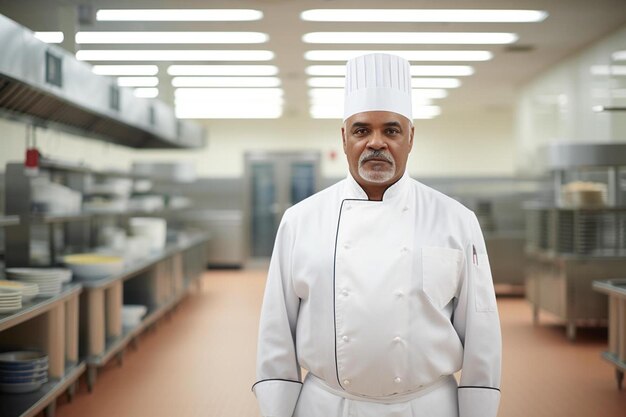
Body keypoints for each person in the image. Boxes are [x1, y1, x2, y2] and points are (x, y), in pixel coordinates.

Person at [252, 53, 501, 417]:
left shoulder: (456, 220)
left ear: (411, 138)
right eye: (362, 130)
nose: (376, 143)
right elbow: (276, 332)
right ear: (344, 138)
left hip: (427, 406)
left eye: (391, 130)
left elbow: (483, 333)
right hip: (327, 406)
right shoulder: (300, 220)